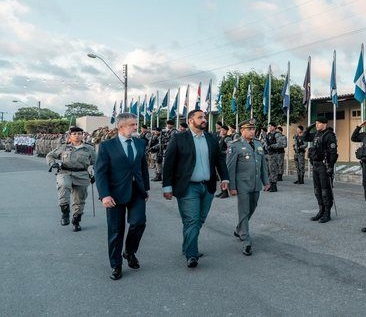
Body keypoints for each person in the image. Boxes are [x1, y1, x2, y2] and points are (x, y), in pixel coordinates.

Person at [162, 110, 229, 268]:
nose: (204, 120)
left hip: (208, 186)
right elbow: (169, 162)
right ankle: (192, 254)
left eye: (204, 117)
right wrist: (167, 186)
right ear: (191, 120)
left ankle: (187, 246)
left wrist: (225, 178)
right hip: (188, 187)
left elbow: (219, 159)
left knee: (199, 219)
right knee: (192, 220)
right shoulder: (179, 138)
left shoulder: (211, 138)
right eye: (200, 117)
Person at [93, 113, 149, 281]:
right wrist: (104, 195)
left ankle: (129, 252)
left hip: (137, 192)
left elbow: (142, 167)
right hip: (115, 194)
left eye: (135, 124)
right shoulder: (107, 146)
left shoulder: (140, 143)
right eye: (132, 124)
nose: (135, 127)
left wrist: (145, 189)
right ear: (121, 127)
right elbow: (100, 173)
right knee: (116, 231)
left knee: (139, 223)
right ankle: (116, 264)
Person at [226, 121, 269, 256]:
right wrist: (232, 187)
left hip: (256, 184)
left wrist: (266, 182)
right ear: (242, 130)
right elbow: (230, 168)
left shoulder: (258, 144)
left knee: (252, 207)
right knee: (244, 210)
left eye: (253, 129)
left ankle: (239, 228)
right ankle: (246, 240)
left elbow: (263, 165)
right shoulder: (235, 145)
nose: (252, 131)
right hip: (242, 184)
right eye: (249, 129)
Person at [46, 126, 96, 231]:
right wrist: (53, 164)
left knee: (79, 200)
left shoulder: (89, 148)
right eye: (74, 134)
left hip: (82, 174)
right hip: (65, 172)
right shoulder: (64, 147)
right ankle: (65, 212)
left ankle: (76, 220)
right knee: (63, 185)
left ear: (83, 135)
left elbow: (96, 162)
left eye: (79, 133)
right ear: (70, 136)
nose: (77, 136)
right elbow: (50, 155)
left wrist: (94, 174)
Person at [303, 116, 338, 223]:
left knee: (325, 190)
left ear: (324, 124)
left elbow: (333, 153)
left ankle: (327, 213)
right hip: (316, 164)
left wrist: (330, 167)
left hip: (324, 165)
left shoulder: (329, 136)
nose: (317, 125)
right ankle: (321, 210)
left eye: (318, 123)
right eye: (316, 123)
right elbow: (305, 137)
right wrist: (310, 127)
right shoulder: (316, 134)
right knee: (317, 190)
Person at [265, 123, 287, 191]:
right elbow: (266, 143)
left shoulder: (277, 134)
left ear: (274, 127)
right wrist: (266, 146)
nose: (270, 127)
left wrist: (272, 146)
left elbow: (281, 144)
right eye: (269, 126)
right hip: (269, 154)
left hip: (275, 154)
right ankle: (269, 184)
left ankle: (274, 186)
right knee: (269, 170)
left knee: (273, 170)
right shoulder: (268, 134)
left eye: (271, 126)